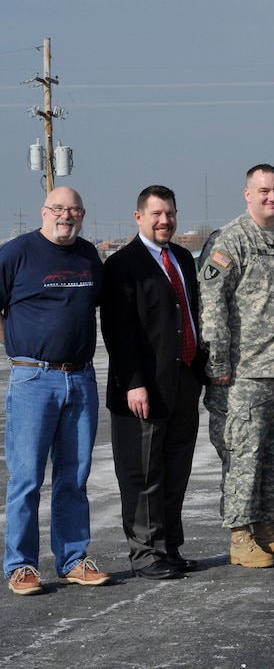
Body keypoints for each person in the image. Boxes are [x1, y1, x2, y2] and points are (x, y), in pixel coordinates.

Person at [198, 164, 274, 568]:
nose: (272, 197)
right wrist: (218, 365)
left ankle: (267, 527)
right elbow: (212, 305)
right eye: (263, 190)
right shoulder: (231, 240)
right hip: (243, 372)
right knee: (243, 454)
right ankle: (241, 536)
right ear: (248, 194)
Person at [1, 186, 111, 595]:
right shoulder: (17, 253)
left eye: (75, 210)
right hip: (33, 379)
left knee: (74, 476)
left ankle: (73, 559)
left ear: (83, 215)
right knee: (27, 477)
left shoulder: (88, 257)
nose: (67, 216)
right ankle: (22, 566)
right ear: (44, 211)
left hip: (80, 378)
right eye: (59, 209)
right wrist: (19, 344)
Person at [101, 185, 207, 580]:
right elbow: (118, 331)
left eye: (171, 214)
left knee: (175, 469)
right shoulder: (122, 266)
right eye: (157, 214)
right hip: (142, 388)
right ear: (139, 217)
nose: (165, 221)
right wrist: (133, 383)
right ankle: (145, 554)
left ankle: (169, 548)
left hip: (183, 381)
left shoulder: (181, 258)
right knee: (143, 473)